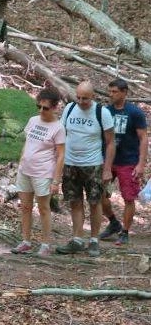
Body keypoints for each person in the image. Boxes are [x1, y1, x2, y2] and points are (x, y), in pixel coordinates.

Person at [56, 81, 115, 257]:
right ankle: (77, 239)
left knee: (95, 202)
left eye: (85, 99)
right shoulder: (69, 109)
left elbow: (111, 143)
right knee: (74, 201)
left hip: (93, 164)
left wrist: (107, 168)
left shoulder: (102, 113)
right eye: (79, 97)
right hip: (70, 163)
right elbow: (61, 134)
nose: (81, 101)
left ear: (93, 97)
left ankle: (94, 240)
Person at [11, 87, 65, 257]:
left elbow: (61, 155)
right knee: (25, 207)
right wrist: (20, 163)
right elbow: (27, 144)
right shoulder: (33, 120)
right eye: (39, 107)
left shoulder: (58, 127)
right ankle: (26, 241)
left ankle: (46, 243)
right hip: (25, 170)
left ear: (55, 107)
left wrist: (56, 181)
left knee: (43, 208)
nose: (41, 111)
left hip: (43, 172)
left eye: (46, 108)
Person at [97, 78, 146, 246]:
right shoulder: (105, 111)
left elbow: (143, 138)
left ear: (124, 92)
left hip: (128, 161)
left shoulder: (135, 113)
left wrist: (141, 164)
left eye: (115, 92)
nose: (111, 95)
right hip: (107, 161)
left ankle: (124, 232)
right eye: (110, 91)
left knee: (128, 198)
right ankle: (113, 223)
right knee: (99, 195)